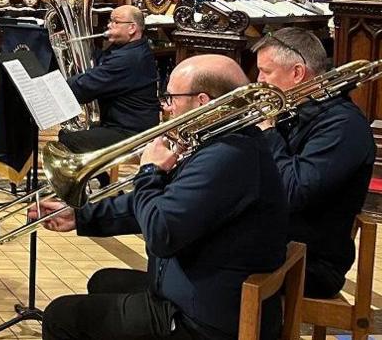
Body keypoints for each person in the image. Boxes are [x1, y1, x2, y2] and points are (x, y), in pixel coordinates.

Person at [33, 54, 289, 340]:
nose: (166, 107)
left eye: (172, 97)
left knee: (61, 316)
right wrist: (81, 217)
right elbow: (162, 203)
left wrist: (149, 171)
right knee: (103, 281)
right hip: (208, 289)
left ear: (202, 101)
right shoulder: (224, 142)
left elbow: (160, 231)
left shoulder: (227, 156)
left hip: (204, 321)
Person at [253, 28, 375, 298]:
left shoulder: (343, 125)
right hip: (276, 240)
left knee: (203, 259)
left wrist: (267, 134)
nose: (258, 81)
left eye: (266, 72)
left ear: (297, 73)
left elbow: (292, 191)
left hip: (310, 262)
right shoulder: (292, 112)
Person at [60, 5, 160, 153]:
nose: (108, 25)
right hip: (121, 123)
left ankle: (92, 175)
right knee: (69, 132)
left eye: (115, 22)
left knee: (68, 140)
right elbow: (100, 62)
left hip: (131, 131)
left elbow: (81, 89)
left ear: (132, 28)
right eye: (110, 21)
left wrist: (62, 84)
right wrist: (77, 48)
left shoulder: (128, 58)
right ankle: (99, 176)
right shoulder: (130, 48)